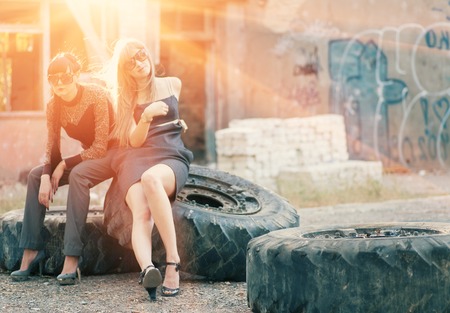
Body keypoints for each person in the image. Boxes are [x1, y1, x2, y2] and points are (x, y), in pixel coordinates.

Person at [10, 52, 116, 285]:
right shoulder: (53, 105)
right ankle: (31, 251)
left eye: (65, 77)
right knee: (36, 175)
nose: (59, 83)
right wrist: (48, 174)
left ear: (76, 75)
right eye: (53, 78)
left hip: (114, 153)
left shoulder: (96, 95)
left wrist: (64, 165)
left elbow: (100, 147)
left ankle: (72, 256)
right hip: (87, 157)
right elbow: (52, 144)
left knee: (78, 174)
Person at [102, 38, 193, 301]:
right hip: (137, 157)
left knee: (152, 179)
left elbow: (173, 116)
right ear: (126, 71)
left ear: (148, 54)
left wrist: (177, 123)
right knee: (141, 212)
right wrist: (146, 115)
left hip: (170, 155)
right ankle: (148, 269)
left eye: (141, 55)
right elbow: (134, 140)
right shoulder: (128, 99)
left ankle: (172, 261)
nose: (139, 63)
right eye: (131, 62)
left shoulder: (173, 83)